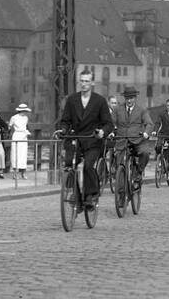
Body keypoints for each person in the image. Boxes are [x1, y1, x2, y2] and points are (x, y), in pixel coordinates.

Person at [55, 70, 114, 210]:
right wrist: (63, 130)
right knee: (70, 164)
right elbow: (65, 120)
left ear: (92, 83)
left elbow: (108, 123)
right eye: (81, 81)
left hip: (92, 140)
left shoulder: (99, 101)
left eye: (87, 81)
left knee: (88, 166)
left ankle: (90, 194)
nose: (84, 84)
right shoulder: (72, 99)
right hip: (76, 139)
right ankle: (74, 192)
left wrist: (102, 132)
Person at [113, 86, 154, 181]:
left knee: (145, 153)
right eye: (127, 98)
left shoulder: (142, 110)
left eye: (131, 98)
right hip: (122, 140)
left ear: (135, 98)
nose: (129, 101)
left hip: (137, 140)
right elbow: (111, 123)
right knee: (119, 163)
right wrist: (111, 132)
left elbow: (149, 123)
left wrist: (146, 133)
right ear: (124, 98)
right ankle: (120, 183)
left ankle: (139, 172)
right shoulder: (117, 109)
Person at [10, 103, 31, 178]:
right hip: (17, 136)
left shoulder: (26, 118)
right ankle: (15, 173)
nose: (25, 112)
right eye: (24, 111)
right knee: (15, 154)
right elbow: (10, 126)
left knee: (23, 155)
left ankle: (23, 173)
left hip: (24, 136)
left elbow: (26, 126)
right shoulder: (14, 118)